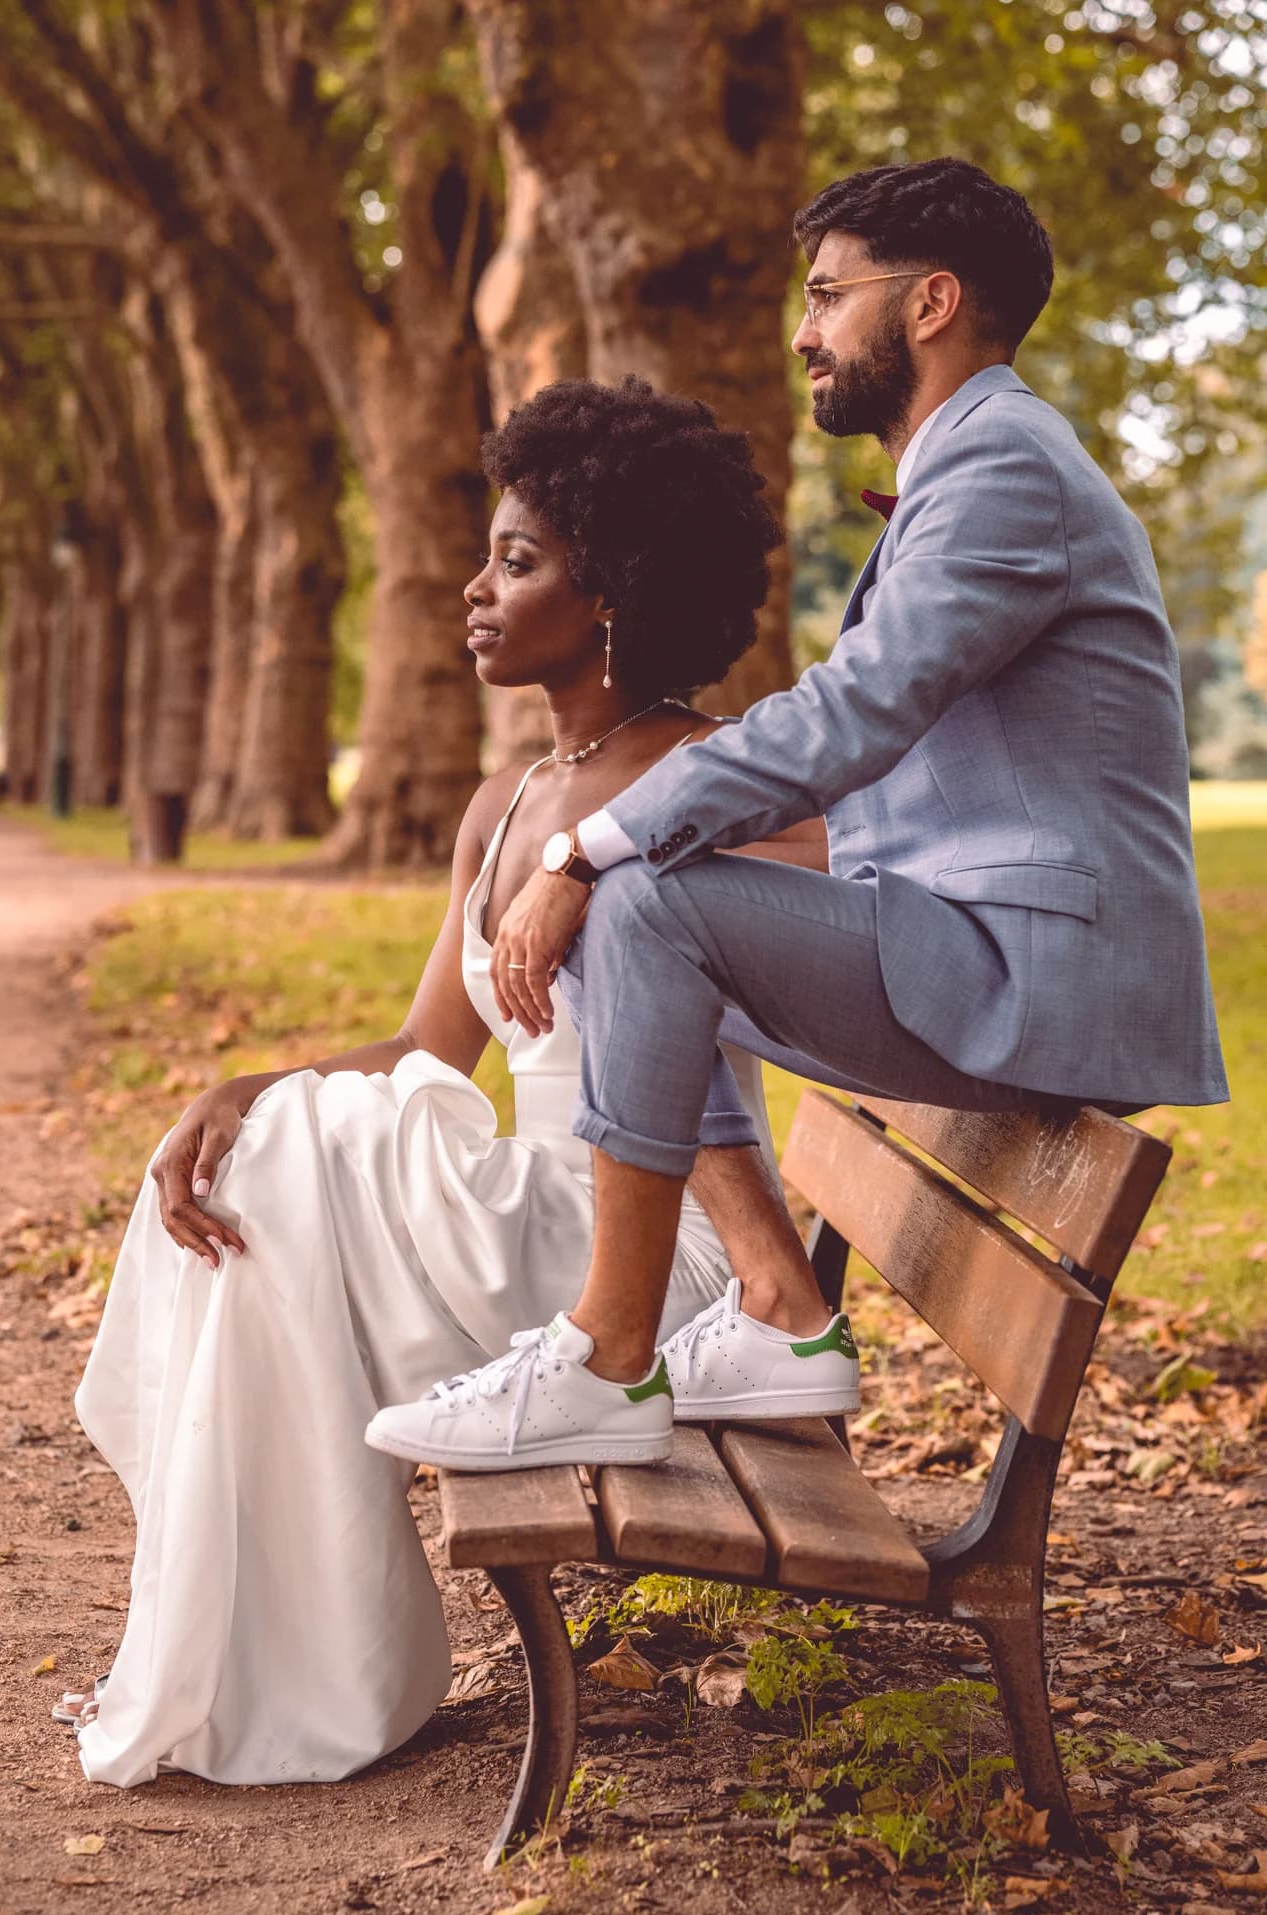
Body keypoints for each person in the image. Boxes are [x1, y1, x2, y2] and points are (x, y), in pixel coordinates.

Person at [369, 156, 1227, 1475]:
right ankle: (775, 1303)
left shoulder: (1002, 466)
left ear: (931, 302)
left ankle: (608, 1355)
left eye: (829, 297)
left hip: (1038, 975)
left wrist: (586, 844)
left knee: (645, 888)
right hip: (984, 949)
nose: (805, 331)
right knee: (659, 898)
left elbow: (849, 717)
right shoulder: (974, 468)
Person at [65, 375, 849, 1788]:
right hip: (519, 1225)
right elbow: (434, 1053)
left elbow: (843, 874)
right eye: (487, 554)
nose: (474, 588)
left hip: (629, 1253)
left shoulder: (703, 775)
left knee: (291, 1180)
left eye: (519, 559)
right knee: (265, 1155)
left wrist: (597, 867)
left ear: (612, 590)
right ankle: (291, 1666)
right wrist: (253, 1078)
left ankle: (311, 1676)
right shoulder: (504, 801)